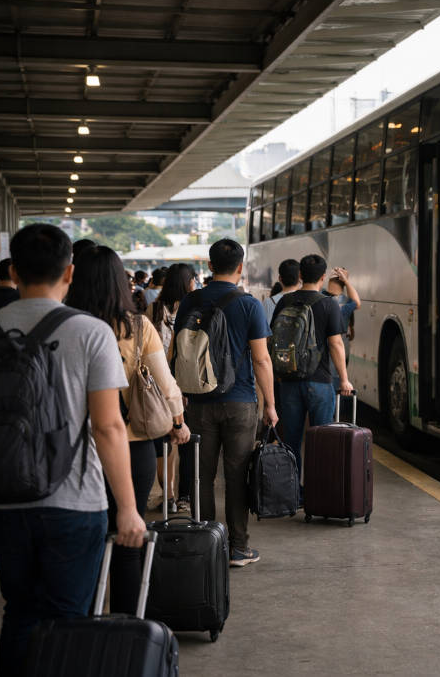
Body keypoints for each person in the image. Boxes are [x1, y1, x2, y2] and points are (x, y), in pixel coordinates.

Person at [0, 223, 145, 677]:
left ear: (13, 271)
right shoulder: (91, 332)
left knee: (19, 611)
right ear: (69, 272)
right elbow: (109, 426)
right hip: (75, 504)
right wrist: (129, 508)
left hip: (4, 500)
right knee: (68, 618)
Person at [66, 246, 188, 613]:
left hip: (74, 449)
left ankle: (80, 627)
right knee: (127, 538)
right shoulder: (137, 325)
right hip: (131, 446)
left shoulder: (65, 325)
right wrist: (178, 421)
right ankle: (125, 631)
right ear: (121, 281)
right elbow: (165, 384)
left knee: (81, 544)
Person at [173, 239, 278, 567]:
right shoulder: (249, 304)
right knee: (236, 474)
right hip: (240, 402)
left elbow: (179, 351)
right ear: (241, 268)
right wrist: (271, 406)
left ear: (209, 265)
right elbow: (261, 360)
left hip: (198, 401)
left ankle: (207, 544)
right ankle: (238, 547)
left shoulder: (190, 301)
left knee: (201, 475)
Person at [271, 254, 353, 492]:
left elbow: (273, 339)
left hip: (288, 381)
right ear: (323, 277)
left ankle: (294, 493)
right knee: (321, 441)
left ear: (299, 275)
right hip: (319, 381)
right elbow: (336, 344)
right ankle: (319, 493)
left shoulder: (285, 301)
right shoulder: (328, 304)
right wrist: (344, 379)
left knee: (292, 440)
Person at [149, 262, 197, 512]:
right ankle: (183, 497)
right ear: (187, 282)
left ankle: (168, 495)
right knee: (185, 441)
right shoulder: (194, 308)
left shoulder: (153, 308)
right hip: (184, 382)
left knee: (163, 443)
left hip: (157, 384)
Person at [324, 267, 361, 374]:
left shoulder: (320, 296)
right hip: (340, 343)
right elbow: (357, 303)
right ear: (344, 283)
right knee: (337, 377)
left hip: (321, 344)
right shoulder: (345, 302)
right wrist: (346, 281)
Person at [263, 258, 301, 324]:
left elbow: (265, 329)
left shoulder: (268, 302)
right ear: (299, 278)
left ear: (280, 278)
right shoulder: (304, 301)